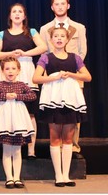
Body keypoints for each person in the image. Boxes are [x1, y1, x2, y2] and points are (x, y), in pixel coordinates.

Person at [32, 27, 92, 187]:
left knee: (68, 139)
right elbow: (36, 78)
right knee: (55, 137)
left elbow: (87, 76)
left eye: (62, 36)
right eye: (56, 36)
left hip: (70, 101)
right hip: (53, 101)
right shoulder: (46, 57)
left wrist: (71, 74)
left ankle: (66, 175)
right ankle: (58, 175)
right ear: (51, 39)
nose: (59, 39)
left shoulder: (75, 58)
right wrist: (55, 77)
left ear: (67, 40)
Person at [0, 3, 47, 159]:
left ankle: (31, 149)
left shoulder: (32, 32)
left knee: (29, 113)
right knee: (7, 109)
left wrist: (24, 53)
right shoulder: (2, 33)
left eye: (20, 12)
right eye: (14, 12)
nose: (17, 14)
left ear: (24, 16)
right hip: (7, 71)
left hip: (27, 71)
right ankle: (8, 147)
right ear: (10, 16)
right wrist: (12, 54)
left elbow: (42, 47)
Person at [40, 0, 87, 159]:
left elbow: (82, 51)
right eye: (56, 4)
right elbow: (44, 51)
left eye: (63, 4)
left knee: (74, 112)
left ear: (68, 6)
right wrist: (50, 75)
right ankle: (57, 145)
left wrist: (74, 73)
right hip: (53, 77)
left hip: (73, 76)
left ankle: (73, 146)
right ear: (52, 7)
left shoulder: (79, 27)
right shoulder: (45, 29)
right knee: (55, 112)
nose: (60, 7)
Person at [0, 57, 36, 189]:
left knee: (17, 150)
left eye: (13, 68)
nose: (10, 71)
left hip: (18, 121)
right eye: (7, 68)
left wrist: (18, 96)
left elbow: (32, 96)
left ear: (18, 70)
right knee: (7, 149)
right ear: (2, 71)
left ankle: (17, 177)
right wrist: (4, 96)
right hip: (5, 120)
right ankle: (9, 178)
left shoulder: (22, 85)